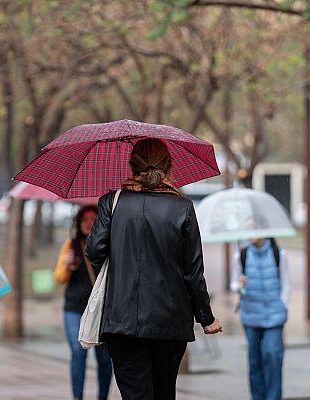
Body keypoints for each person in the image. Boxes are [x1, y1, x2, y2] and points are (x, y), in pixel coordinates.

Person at [86, 138, 222, 400]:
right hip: (169, 322)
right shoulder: (182, 208)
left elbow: (94, 252)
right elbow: (193, 272)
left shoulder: (111, 202)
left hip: (121, 321)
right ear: (169, 166)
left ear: (131, 166)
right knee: (163, 393)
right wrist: (206, 317)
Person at [54, 204, 113, 400]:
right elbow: (59, 278)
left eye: (94, 219)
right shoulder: (70, 245)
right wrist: (67, 266)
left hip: (102, 310)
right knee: (78, 352)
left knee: (104, 357)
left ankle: (102, 397)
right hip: (75, 309)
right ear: (78, 223)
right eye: (85, 219)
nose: (89, 223)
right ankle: (77, 396)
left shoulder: (108, 244)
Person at [231, 237, 290, 400]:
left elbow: (286, 283)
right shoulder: (241, 255)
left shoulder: (279, 253)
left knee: (272, 355)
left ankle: (273, 397)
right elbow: (234, 286)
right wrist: (240, 284)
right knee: (254, 360)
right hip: (251, 316)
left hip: (275, 315)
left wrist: (283, 306)